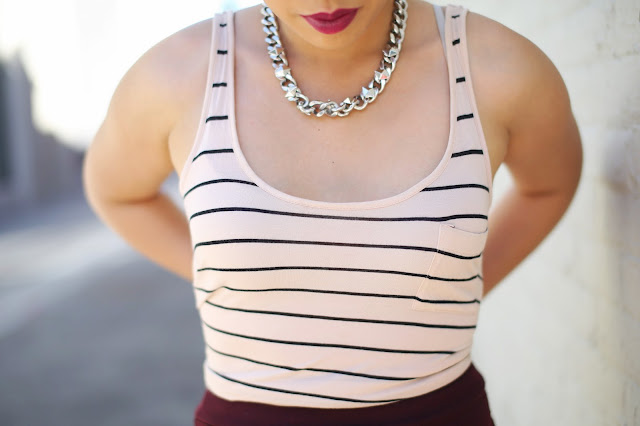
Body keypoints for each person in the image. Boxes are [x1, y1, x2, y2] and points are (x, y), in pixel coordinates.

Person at [83, 0, 582, 424]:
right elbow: (119, 193)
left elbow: (548, 185)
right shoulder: (177, 74)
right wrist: (227, 278)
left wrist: (453, 287)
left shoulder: (497, 67)